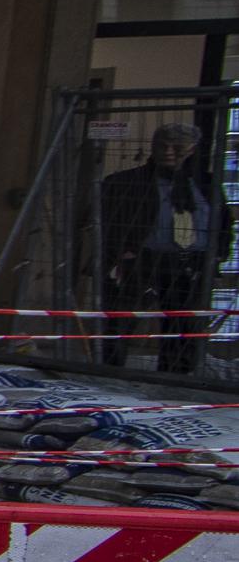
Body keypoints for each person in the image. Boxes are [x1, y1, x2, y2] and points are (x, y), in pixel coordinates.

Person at [97, 122, 225, 374]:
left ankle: (175, 374)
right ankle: (110, 369)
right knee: (123, 317)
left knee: (182, 321)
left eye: (177, 147)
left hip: (190, 261)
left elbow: (222, 221)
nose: (168, 151)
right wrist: (119, 252)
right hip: (141, 258)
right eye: (162, 145)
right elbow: (110, 221)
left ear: (191, 150)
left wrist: (218, 254)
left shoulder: (206, 184)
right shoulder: (128, 182)